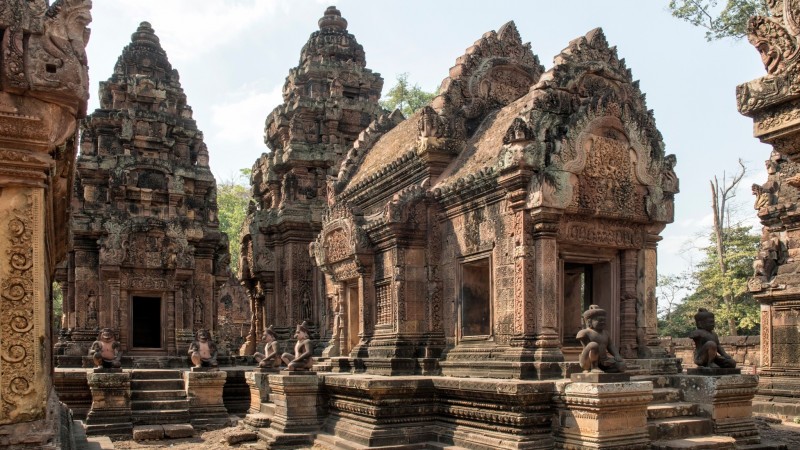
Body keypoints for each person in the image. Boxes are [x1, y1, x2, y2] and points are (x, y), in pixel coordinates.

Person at [576, 305, 625, 373]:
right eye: (600, 320)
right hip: (588, 361)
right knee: (593, 345)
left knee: (622, 365)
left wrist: (617, 355)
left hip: (604, 360)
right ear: (589, 321)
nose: (603, 322)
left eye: (604, 320)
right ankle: (594, 367)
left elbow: (610, 345)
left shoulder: (606, 333)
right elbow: (587, 348)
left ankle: (605, 370)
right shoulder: (584, 333)